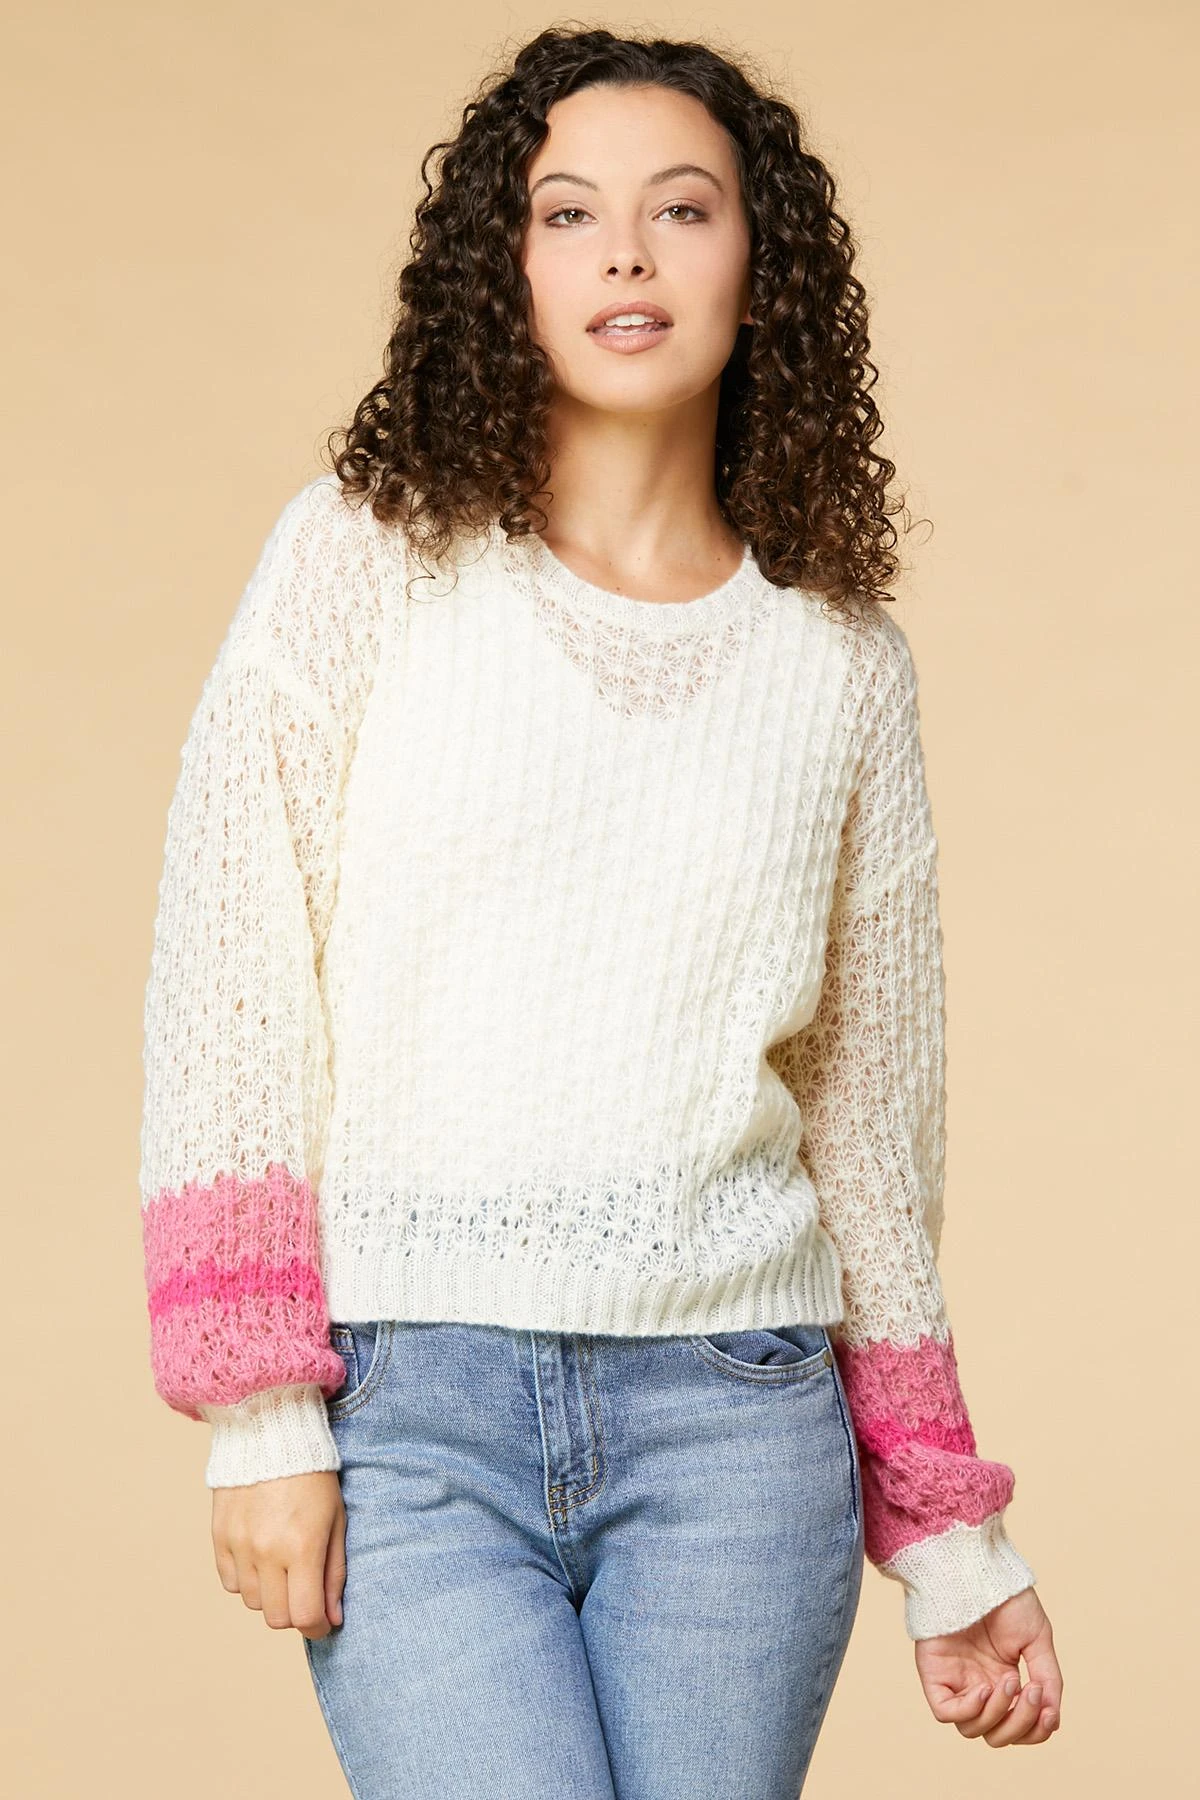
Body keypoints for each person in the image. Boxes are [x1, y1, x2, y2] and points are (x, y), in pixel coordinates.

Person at [138, 24, 1062, 1796]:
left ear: (760, 265)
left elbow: (869, 1127)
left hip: (741, 1430)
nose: (625, 254)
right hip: (414, 1418)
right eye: (568, 213)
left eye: (682, 209)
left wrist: (949, 1530)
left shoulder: (842, 663)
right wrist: (258, 1413)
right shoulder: (364, 558)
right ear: (504, 269)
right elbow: (232, 976)